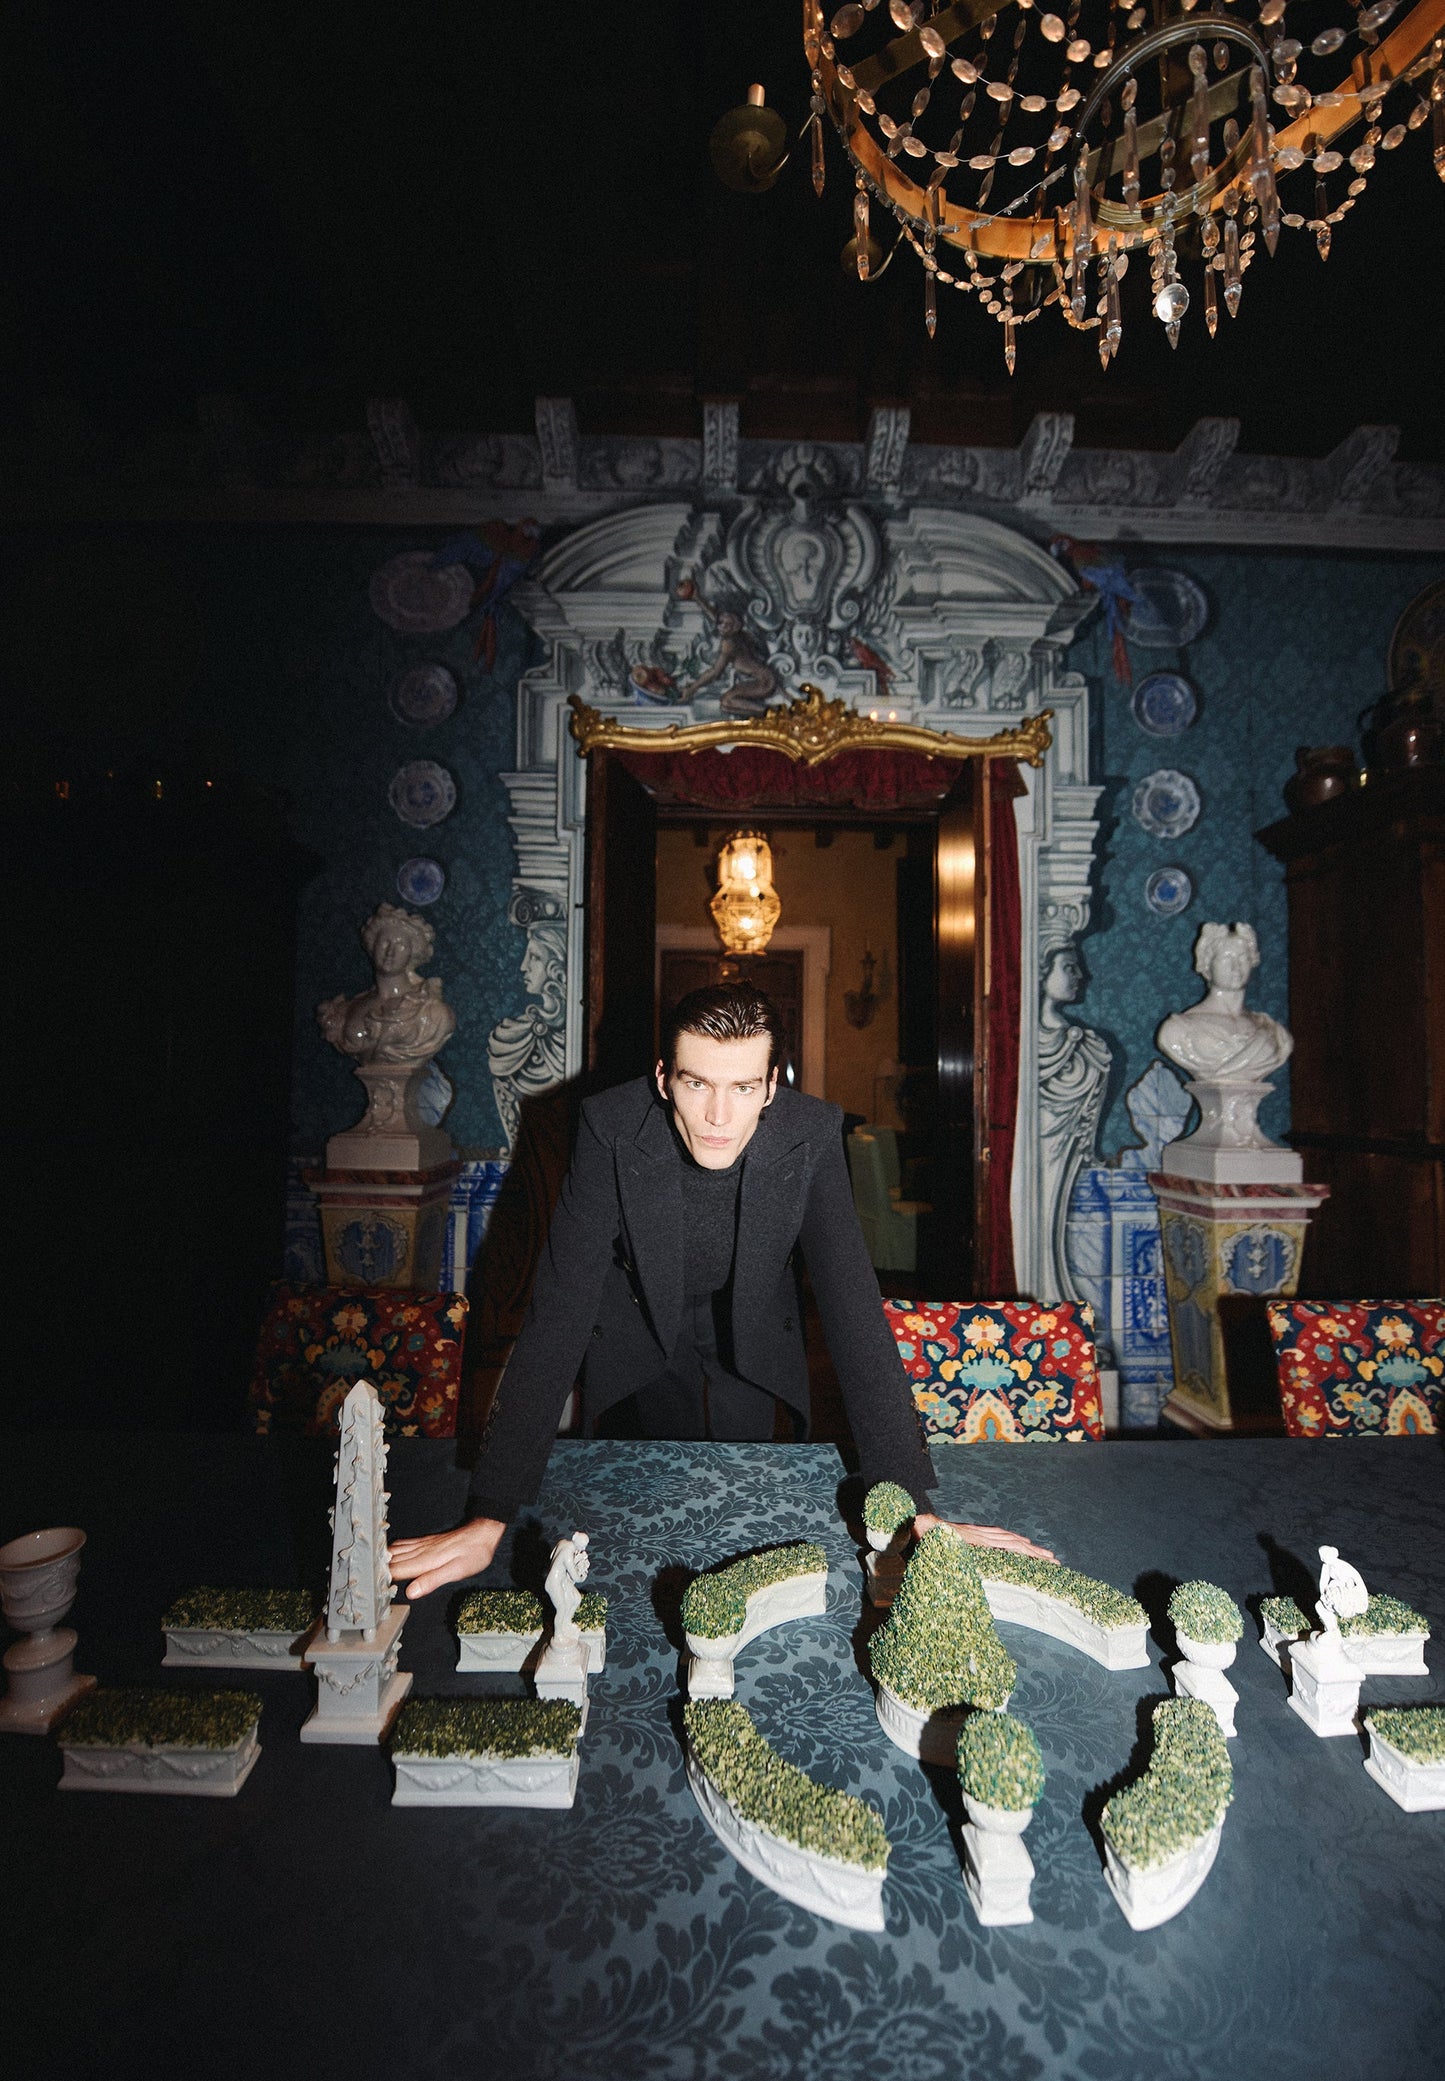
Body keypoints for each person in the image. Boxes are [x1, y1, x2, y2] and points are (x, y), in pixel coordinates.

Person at [390, 983, 1053, 1599]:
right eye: (696, 1082)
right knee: (652, 1491)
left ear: (771, 1086)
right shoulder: (609, 1126)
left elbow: (854, 1312)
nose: (717, 1115)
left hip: (751, 1313)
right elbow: (558, 1313)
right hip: (640, 1312)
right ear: (663, 1078)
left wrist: (916, 1509)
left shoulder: (811, 1133)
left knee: (750, 1480)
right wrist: (490, 1513)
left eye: (742, 1087)